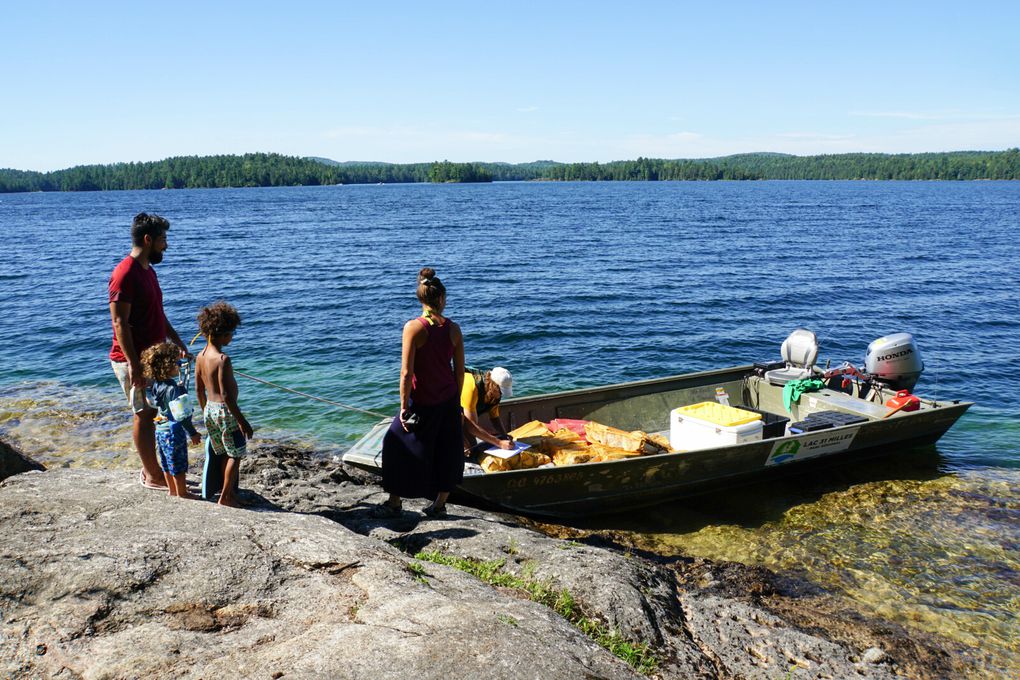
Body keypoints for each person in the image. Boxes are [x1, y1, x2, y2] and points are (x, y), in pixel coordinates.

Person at [375, 267, 465, 518]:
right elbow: (459, 373)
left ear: (421, 298)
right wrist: (456, 401)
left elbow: (406, 373)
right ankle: (439, 504)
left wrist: (404, 406)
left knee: (394, 443)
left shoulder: (414, 327)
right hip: (447, 399)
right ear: (442, 298)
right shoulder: (454, 329)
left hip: (421, 401)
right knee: (447, 449)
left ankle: (395, 500)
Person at [109, 212, 188, 490]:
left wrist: (177, 342)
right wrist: (134, 364)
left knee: (157, 412)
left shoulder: (147, 270)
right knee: (143, 414)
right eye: (163, 239)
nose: (166, 245)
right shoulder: (125, 274)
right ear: (148, 239)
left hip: (152, 359)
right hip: (134, 360)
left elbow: (157, 313)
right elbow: (119, 323)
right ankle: (151, 475)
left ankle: (160, 470)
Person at [195, 301, 253, 508]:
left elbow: (199, 390)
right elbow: (227, 395)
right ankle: (227, 495)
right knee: (235, 455)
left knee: (221, 453)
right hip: (225, 412)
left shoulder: (201, 356)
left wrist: (205, 413)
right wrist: (243, 421)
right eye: (231, 333)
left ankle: (225, 491)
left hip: (210, 410)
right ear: (221, 334)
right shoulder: (222, 359)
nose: (232, 337)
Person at [140, 342, 201, 498]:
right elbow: (182, 416)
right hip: (173, 431)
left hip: (160, 430)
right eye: (175, 363)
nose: (178, 366)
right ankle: (182, 493)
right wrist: (193, 433)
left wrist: (181, 359)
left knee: (167, 463)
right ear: (168, 366)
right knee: (179, 464)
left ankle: (172, 491)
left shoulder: (155, 384)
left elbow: (171, 366)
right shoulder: (173, 388)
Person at [461, 366, 515, 454]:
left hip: (465, 414)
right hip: (445, 409)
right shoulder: (472, 387)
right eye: (500, 392)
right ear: (492, 384)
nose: (500, 395)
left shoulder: (495, 393)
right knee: (469, 449)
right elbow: (471, 426)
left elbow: (495, 418)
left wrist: (504, 435)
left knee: (474, 448)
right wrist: (499, 443)